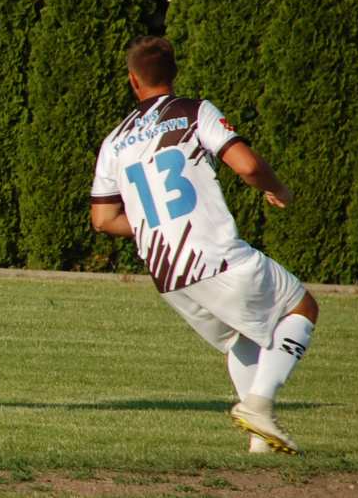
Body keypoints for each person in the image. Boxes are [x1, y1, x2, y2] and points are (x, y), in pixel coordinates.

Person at [90, 36, 319, 454]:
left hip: (168, 274)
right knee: (302, 307)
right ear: (173, 74)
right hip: (212, 255)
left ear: (132, 81)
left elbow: (103, 220)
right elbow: (247, 165)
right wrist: (278, 188)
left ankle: (260, 444)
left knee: (243, 339)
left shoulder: (113, 142)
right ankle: (260, 404)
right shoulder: (194, 111)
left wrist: (147, 226)